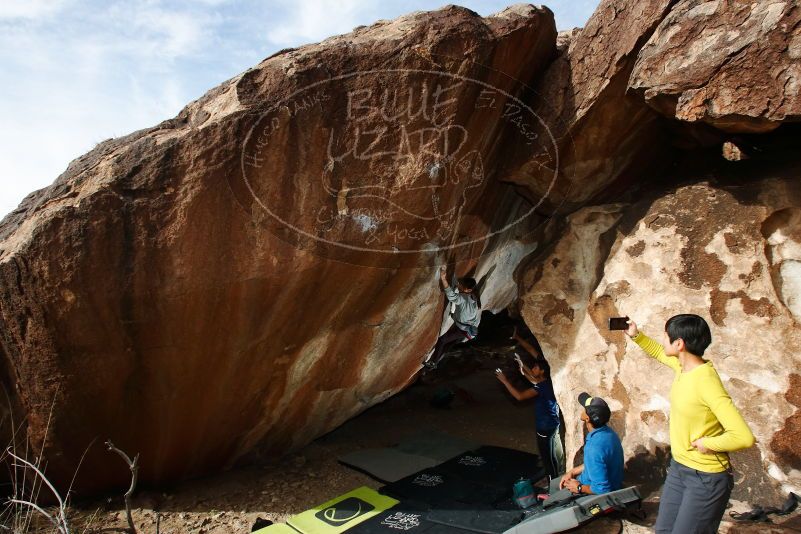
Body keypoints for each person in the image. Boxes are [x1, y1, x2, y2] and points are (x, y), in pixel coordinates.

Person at [626, 314, 755, 534]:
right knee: (663, 530)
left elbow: (743, 436)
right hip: (679, 469)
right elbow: (658, 352)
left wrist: (710, 443)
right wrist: (636, 336)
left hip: (706, 477)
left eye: (666, 337)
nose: (663, 340)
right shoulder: (683, 367)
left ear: (679, 344)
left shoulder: (705, 381)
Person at [495, 348, 565, 479]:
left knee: (547, 458)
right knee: (553, 455)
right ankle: (556, 477)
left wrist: (505, 381)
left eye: (536, 367)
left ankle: (552, 485)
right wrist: (523, 368)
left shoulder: (541, 387)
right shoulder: (549, 382)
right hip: (553, 424)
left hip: (544, 427)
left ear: (542, 371)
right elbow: (535, 381)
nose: (533, 368)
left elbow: (520, 396)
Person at [559, 393, 624, 496]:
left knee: (549, 499)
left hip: (589, 492)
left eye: (584, 408)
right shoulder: (608, 433)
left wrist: (579, 487)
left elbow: (602, 489)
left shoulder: (593, 448)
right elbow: (598, 462)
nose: (582, 409)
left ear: (587, 419)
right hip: (611, 483)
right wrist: (573, 471)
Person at [423, 266, 481, 369]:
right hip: (468, 330)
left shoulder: (464, 298)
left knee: (442, 340)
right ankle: (438, 359)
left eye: (461, 285)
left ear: (468, 290)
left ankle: (433, 363)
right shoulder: (474, 297)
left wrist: (444, 279)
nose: (459, 285)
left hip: (462, 330)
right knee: (447, 344)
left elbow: (452, 296)